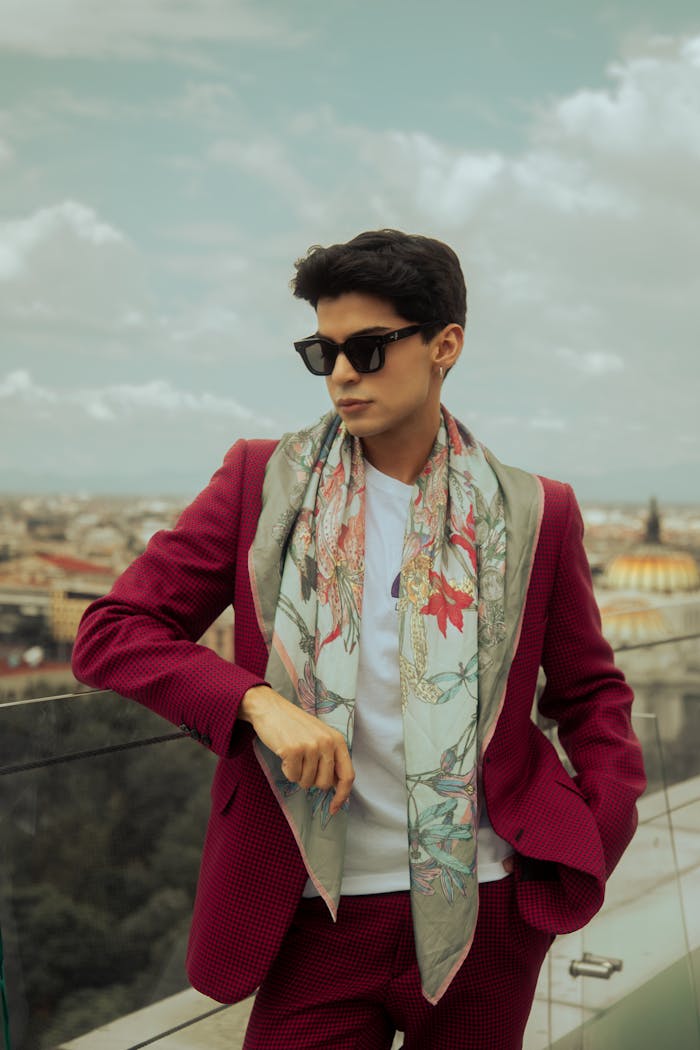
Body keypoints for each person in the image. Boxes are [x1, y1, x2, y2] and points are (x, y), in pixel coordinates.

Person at [71, 229, 646, 1050]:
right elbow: (113, 631)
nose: (342, 373)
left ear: (445, 345)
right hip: (313, 906)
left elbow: (591, 694)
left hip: (487, 909)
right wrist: (256, 703)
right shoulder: (260, 484)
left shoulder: (534, 512)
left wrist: (598, 826)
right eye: (323, 352)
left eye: (369, 349)